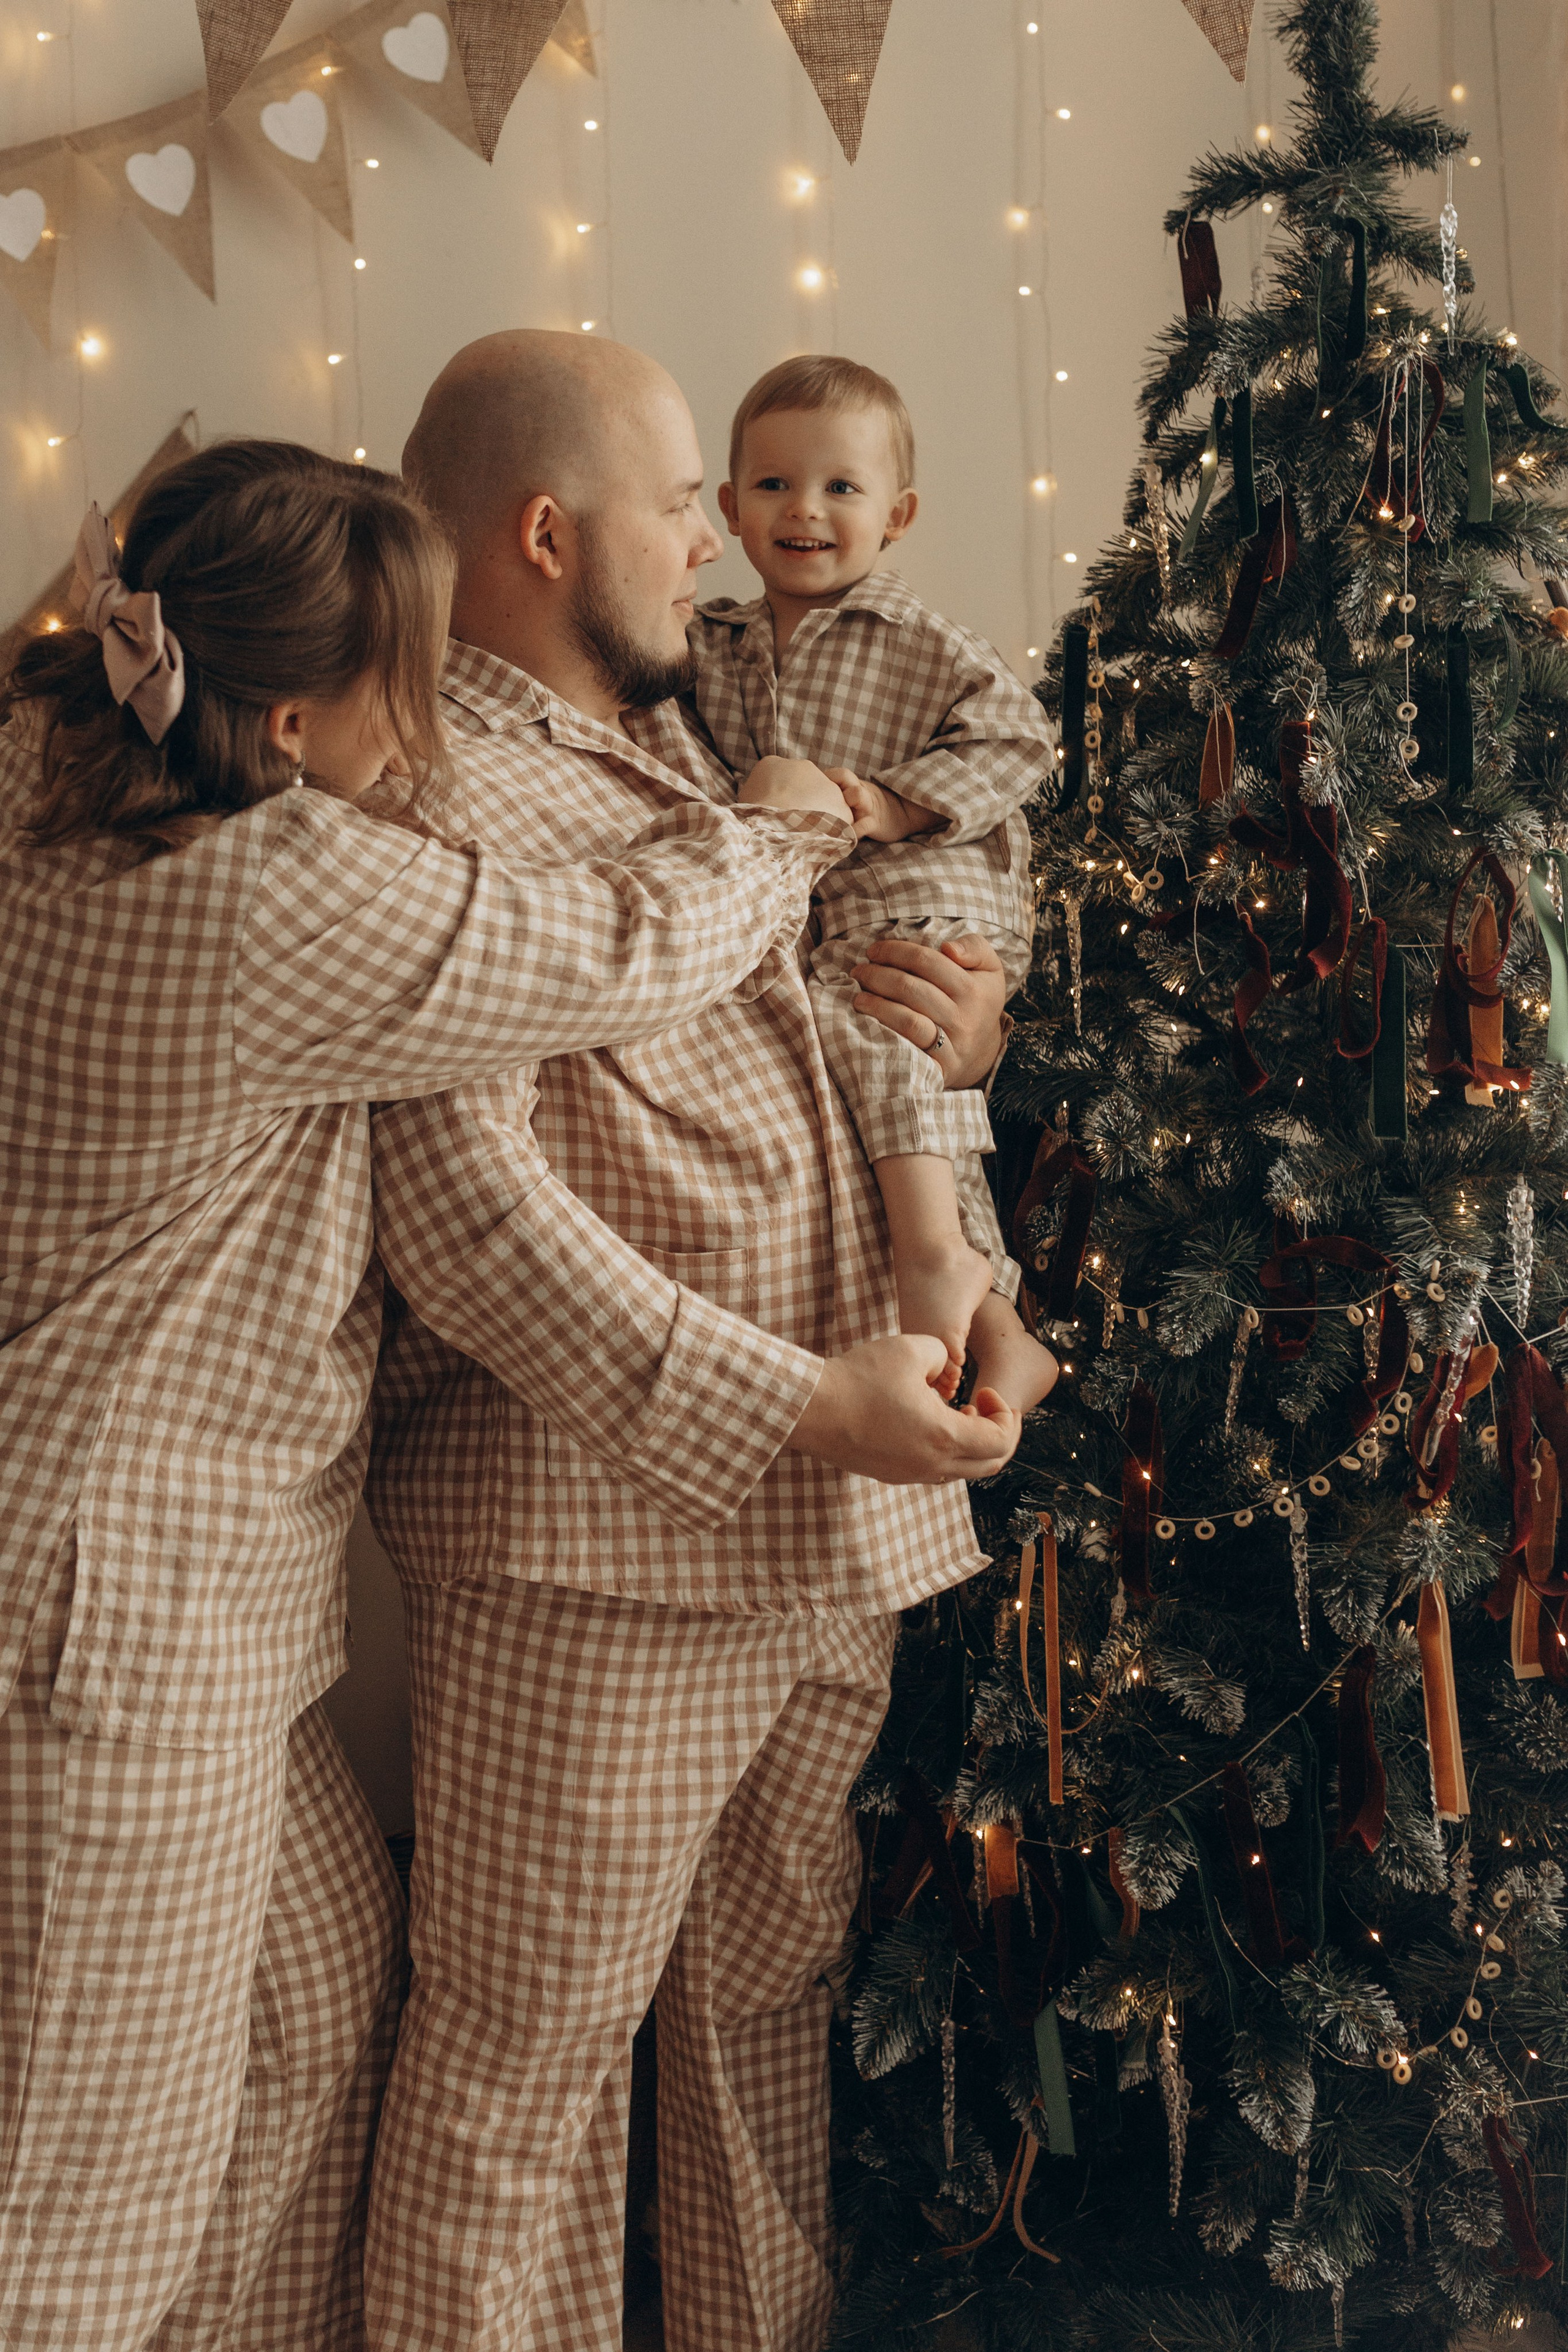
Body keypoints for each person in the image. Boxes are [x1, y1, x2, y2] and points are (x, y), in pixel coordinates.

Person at [0, 440, 951, 2352]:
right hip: (118, 1615)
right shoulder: (255, 890)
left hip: (210, 1612)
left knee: (312, 2021)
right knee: (73, 2187)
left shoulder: (83, 796)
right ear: (283, 722)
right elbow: (611, 957)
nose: (432, 726)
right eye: (407, 686)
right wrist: (786, 824)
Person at [361, 329, 1023, 2352]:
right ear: (548, 534)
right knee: (522, 2082)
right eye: (677, 506)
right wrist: (803, 1405)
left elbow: (851, 1043)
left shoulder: (684, 737)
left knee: (759, 2034)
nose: (712, 547)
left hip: (842, 1527)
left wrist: (967, 1138)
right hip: (603, 1553)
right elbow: (469, 1222)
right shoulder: (419, 794)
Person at [693, 352, 1058, 1415]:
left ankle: (943, 1262)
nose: (805, 510)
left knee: (871, 1036)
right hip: (832, 909)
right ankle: (997, 1320)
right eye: (773, 485)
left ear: (896, 514)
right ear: (728, 507)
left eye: (840, 488)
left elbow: (1020, 736)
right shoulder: (709, 644)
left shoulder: (919, 638)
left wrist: (897, 803)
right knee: (867, 1072)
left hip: (932, 882)